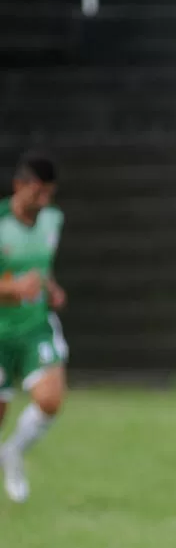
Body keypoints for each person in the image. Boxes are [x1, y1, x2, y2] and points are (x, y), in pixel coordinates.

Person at [0, 151, 68, 503]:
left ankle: (12, 453)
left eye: (48, 194)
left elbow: (41, 267)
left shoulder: (52, 220)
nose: (43, 201)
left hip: (34, 327)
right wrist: (12, 288)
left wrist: (50, 288)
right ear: (19, 186)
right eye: (37, 193)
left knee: (50, 399)